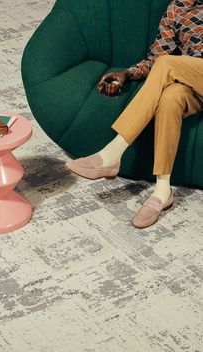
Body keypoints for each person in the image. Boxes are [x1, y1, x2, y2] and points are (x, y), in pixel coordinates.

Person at [65, 0, 203, 229]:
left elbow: (166, 63)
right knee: (170, 99)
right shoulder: (178, 8)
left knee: (168, 65)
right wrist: (127, 74)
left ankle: (113, 153)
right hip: (192, 85)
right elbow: (156, 59)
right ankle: (162, 190)